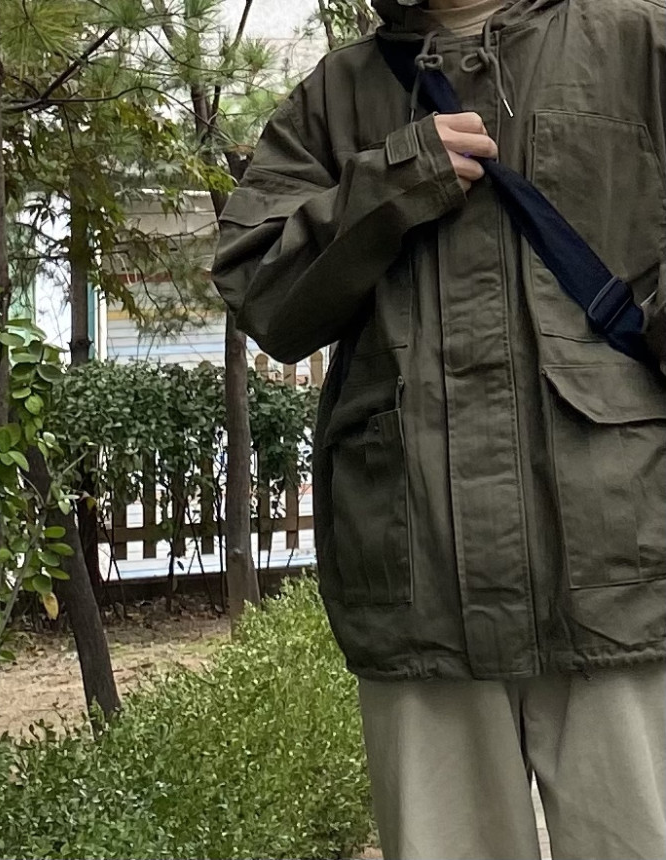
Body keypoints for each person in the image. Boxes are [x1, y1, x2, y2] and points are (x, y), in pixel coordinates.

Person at [211, 1, 666, 858]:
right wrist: (387, 187)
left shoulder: (636, 41)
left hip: (623, 562)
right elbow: (259, 288)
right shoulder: (337, 95)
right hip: (418, 571)